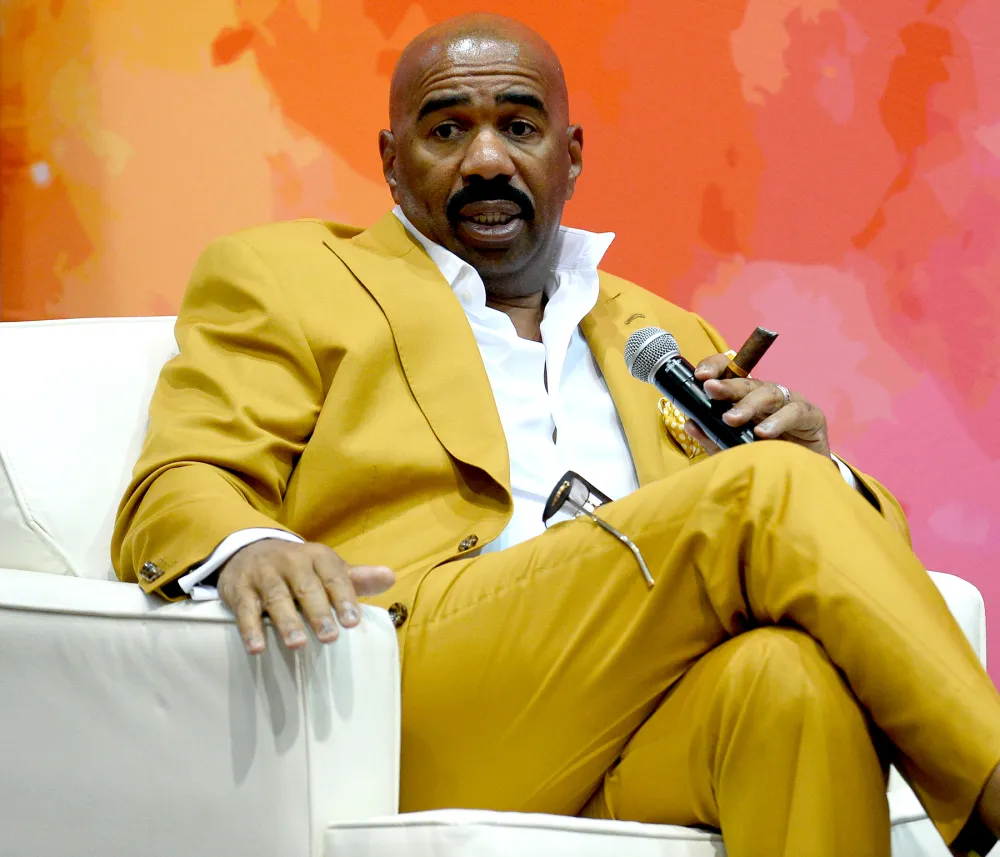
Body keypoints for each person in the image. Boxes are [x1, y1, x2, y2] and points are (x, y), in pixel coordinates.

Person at [113, 13, 1000, 856]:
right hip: (421, 689)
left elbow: (857, 559)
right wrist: (252, 546)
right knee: (761, 492)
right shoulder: (290, 276)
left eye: (521, 127)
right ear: (390, 160)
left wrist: (823, 474)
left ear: (570, 155)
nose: (486, 158)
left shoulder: (666, 330)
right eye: (447, 130)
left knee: (788, 683)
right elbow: (180, 477)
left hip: (632, 712)